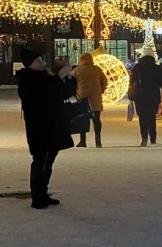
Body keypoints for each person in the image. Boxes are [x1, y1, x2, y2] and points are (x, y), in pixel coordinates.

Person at [16, 49, 75, 209]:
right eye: (37, 61)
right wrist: (59, 77)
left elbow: (63, 93)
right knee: (40, 161)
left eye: (41, 60)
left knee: (48, 161)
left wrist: (68, 77)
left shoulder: (45, 77)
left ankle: (43, 192)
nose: (41, 63)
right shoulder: (27, 80)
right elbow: (42, 95)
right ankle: (37, 195)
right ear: (30, 64)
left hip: (52, 125)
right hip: (39, 126)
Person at [131, 48, 162, 146]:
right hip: (153, 96)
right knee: (151, 117)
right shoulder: (156, 68)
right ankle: (153, 138)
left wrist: (131, 95)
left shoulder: (137, 67)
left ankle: (144, 137)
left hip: (140, 96)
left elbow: (132, 82)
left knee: (142, 117)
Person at [71, 53, 108, 148]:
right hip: (95, 96)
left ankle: (83, 141)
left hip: (82, 96)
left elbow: (71, 83)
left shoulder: (77, 70)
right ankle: (98, 141)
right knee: (96, 118)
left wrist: (74, 92)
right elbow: (104, 81)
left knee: (83, 118)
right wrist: (101, 90)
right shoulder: (97, 70)